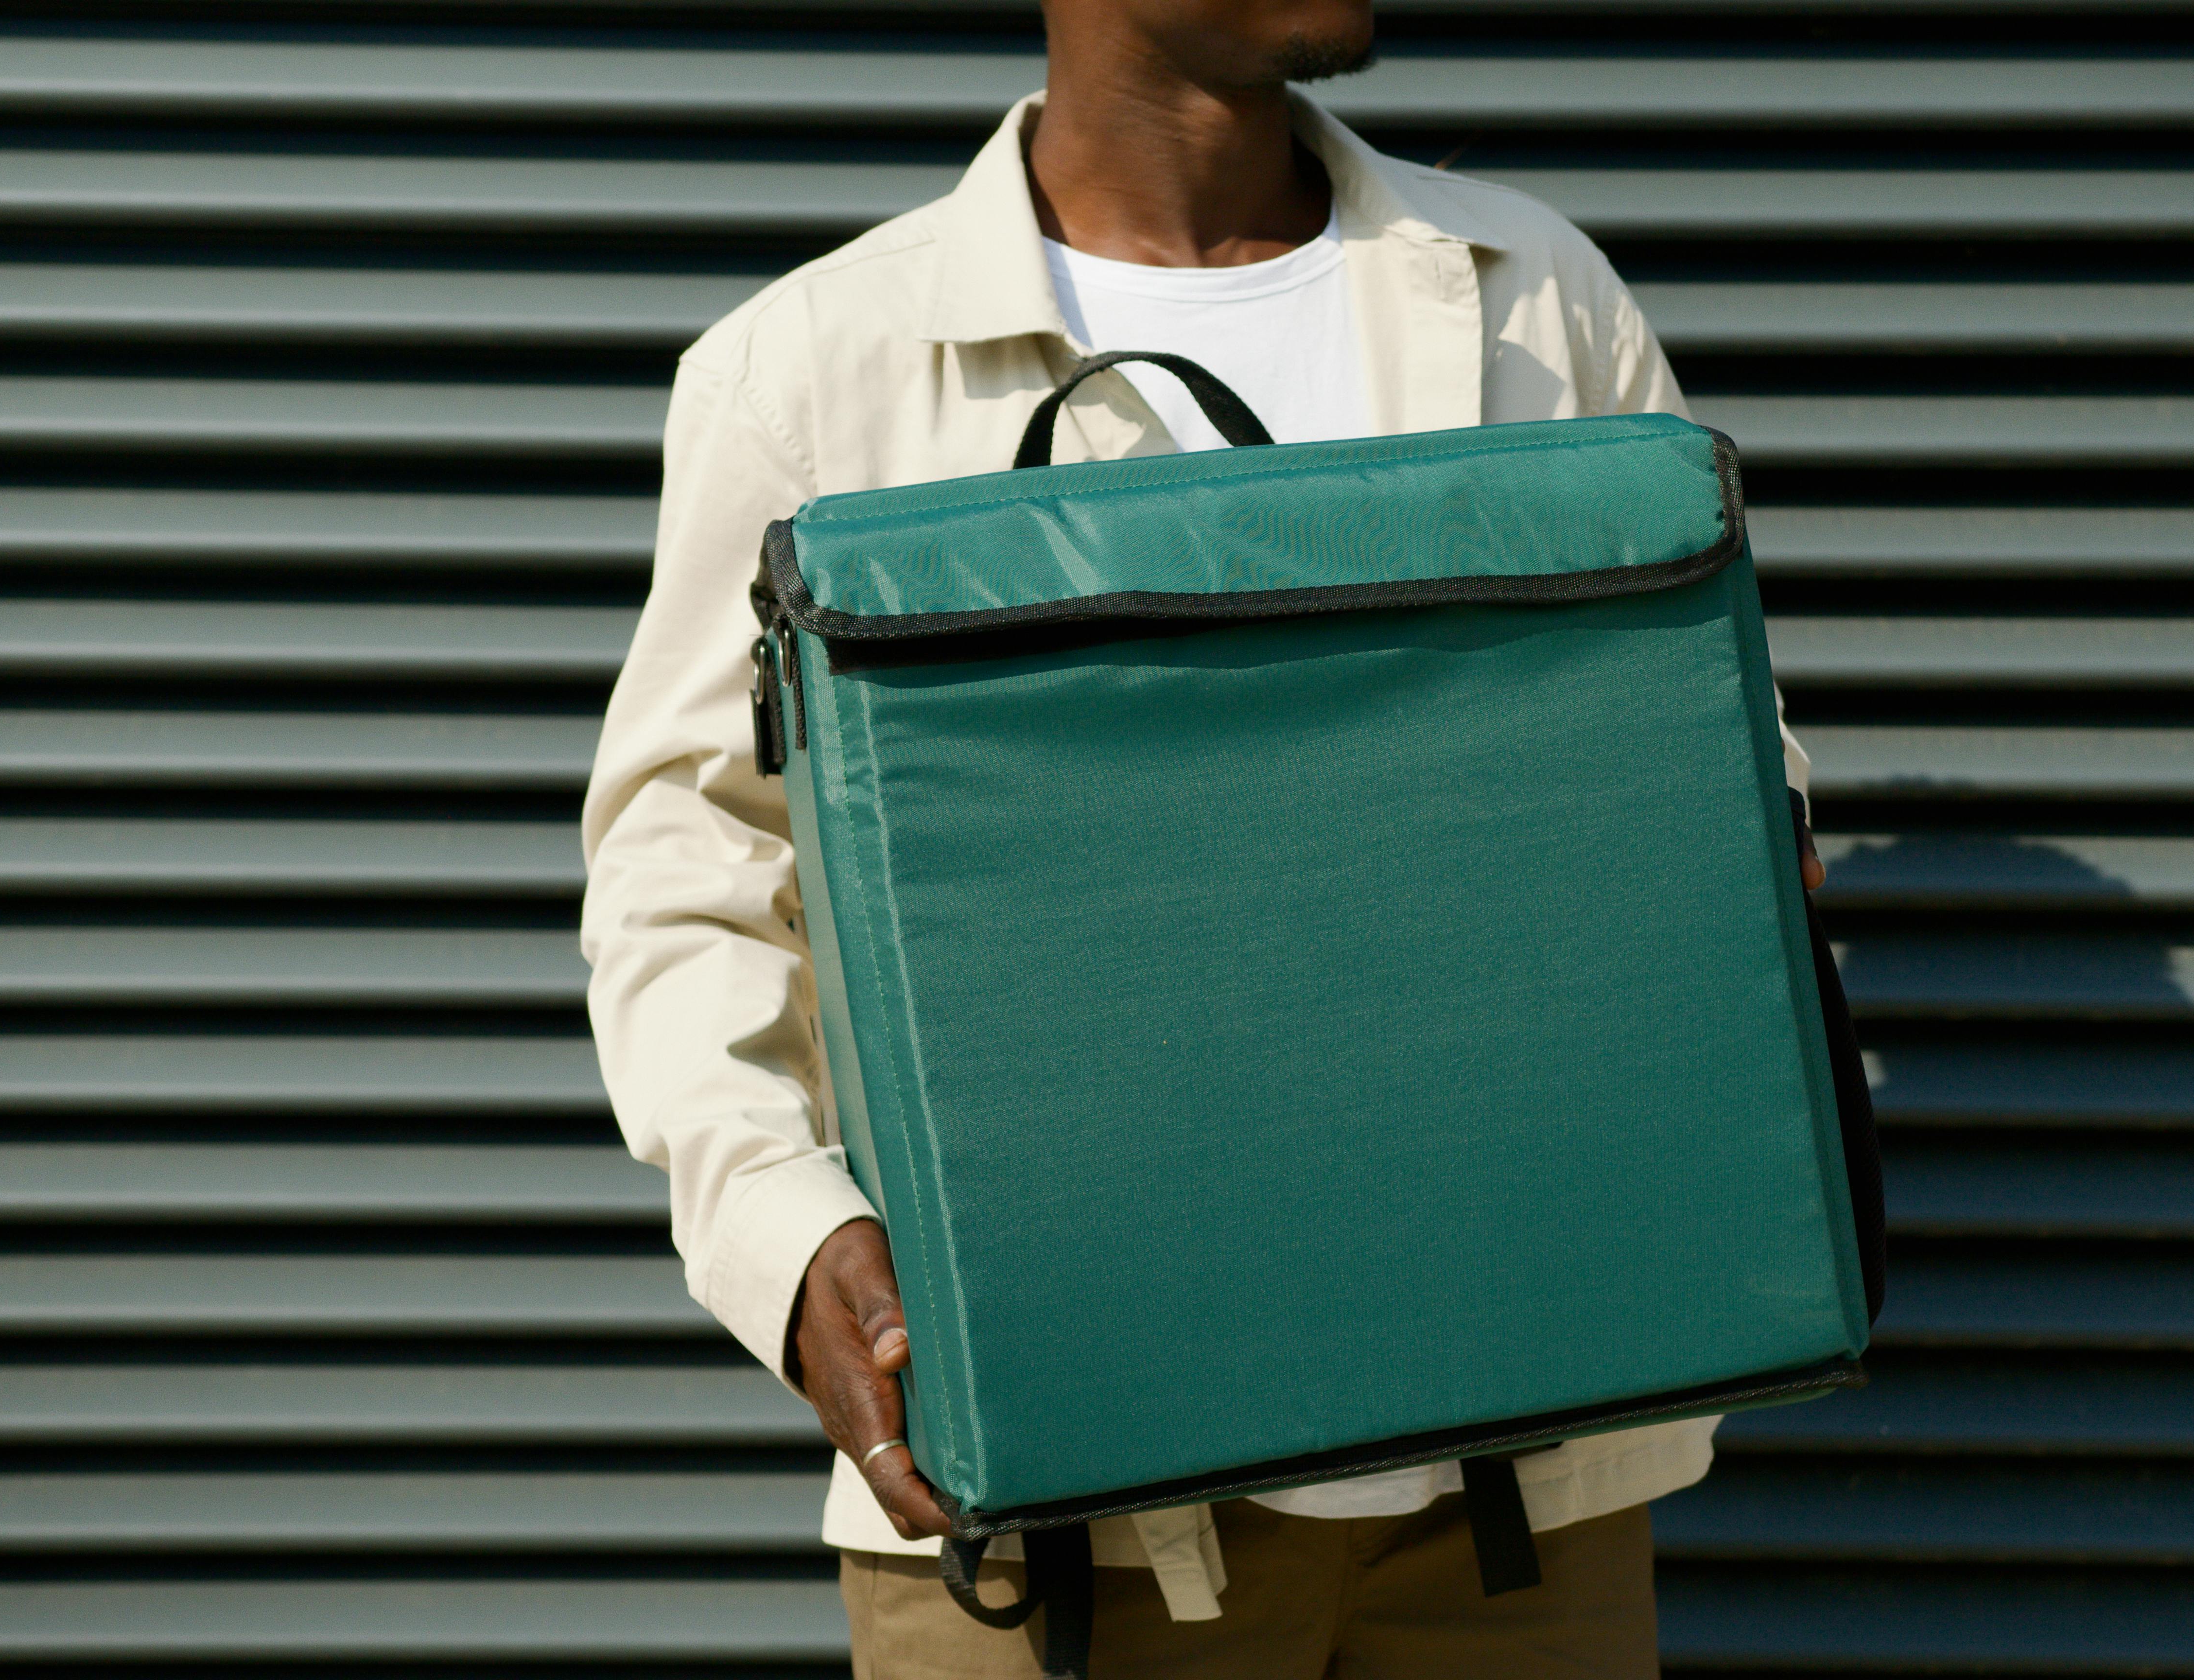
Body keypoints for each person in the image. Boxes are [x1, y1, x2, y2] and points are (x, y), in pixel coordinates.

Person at [581, 0, 1822, 1670]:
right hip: (1057, 1527)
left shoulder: (1532, 292)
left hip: (1525, 1510)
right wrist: (794, 1245)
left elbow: (1719, 741)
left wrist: (1728, 881)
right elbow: (688, 889)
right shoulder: (811, 372)